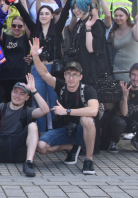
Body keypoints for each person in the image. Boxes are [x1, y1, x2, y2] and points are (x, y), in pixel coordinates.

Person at [14, 0, 79, 132]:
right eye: (41, 13)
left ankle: (56, 131)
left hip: (54, 69)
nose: (43, 16)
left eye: (46, 13)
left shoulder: (57, 29)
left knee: (55, 101)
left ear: (52, 16)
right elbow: (23, 13)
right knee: (39, 101)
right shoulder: (34, 28)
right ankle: (42, 132)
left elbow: (66, 9)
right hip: (37, 69)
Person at [31, 41, 99, 176]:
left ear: (81, 77)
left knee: (87, 120)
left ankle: (88, 159)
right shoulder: (61, 86)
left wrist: (67, 111)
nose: (71, 77)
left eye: (75, 74)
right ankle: (71, 147)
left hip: (82, 130)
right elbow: (44, 74)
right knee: (41, 147)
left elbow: (93, 110)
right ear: (65, 76)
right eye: (68, 74)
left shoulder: (88, 90)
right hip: (67, 129)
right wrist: (35, 56)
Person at [65, 0, 107, 87]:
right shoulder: (78, 23)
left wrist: (88, 28)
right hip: (79, 68)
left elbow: (91, 48)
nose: (76, 10)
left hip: (92, 71)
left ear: (88, 8)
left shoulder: (96, 23)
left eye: (79, 7)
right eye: (74, 8)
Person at [110, 8, 138, 81]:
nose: (118, 18)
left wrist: (137, 21)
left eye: (121, 16)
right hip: (118, 68)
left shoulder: (134, 28)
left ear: (127, 17)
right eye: (116, 16)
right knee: (121, 90)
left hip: (134, 67)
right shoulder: (113, 32)